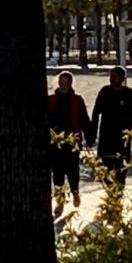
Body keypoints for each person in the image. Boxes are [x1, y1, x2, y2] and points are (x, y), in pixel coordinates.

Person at [88, 66, 132, 198]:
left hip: (123, 139)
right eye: (110, 76)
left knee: (121, 170)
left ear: (122, 78)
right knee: (103, 168)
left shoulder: (129, 94)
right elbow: (96, 113)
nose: (111, 79)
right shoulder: (105, 92)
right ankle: (111, 190)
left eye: (114, 76)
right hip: (106, 137)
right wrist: (91, 134)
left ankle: (118, 195)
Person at [47, 72, 91, 216]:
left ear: (71, 84)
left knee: (73, 171)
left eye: (66, 83)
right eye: (61, 83)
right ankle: (59, 202)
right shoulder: (51, 100)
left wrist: (89, 139)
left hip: (73, 142)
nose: (63, 86)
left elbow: (84, 120)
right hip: (56, 143)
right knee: (57, 173)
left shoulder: (77, 101)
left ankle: (75, 192)